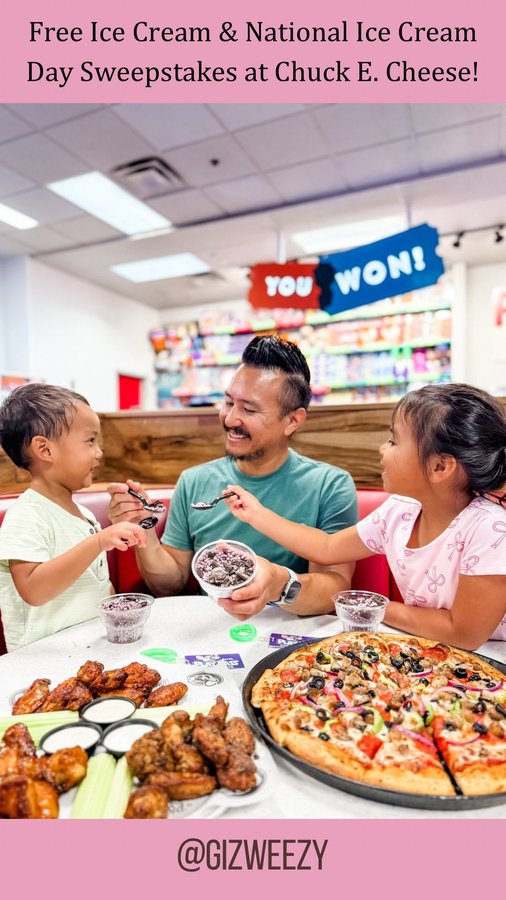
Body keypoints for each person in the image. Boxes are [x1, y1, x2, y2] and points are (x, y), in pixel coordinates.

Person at [225, 383, 506, 650]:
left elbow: (463, 633)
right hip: (430, 646)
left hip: (489, 657)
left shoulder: (490, 529)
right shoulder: (400, 510)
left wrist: (374, 607)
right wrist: (257, 514)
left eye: (394, 441)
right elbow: (327, 547)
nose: (382, 449)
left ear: (440, 466)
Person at [108, 336, 358, 619]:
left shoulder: (329, 486)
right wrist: (145, 531)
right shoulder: (194, 481)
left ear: (292, 421)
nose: (229, 419)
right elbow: (168, 584)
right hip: (210, 631)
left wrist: (277, 583)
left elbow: (332, 591)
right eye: (228, 402)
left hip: (292, 638)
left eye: (249, 409)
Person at [0, 384, 146, 651]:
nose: (99, 452)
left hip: (87, 655)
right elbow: (33, 589)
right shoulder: (26, 515)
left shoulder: (85, 515)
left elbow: (98, 586)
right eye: (90, 440)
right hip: (39, 663)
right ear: (45, 450)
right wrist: (98, 542)